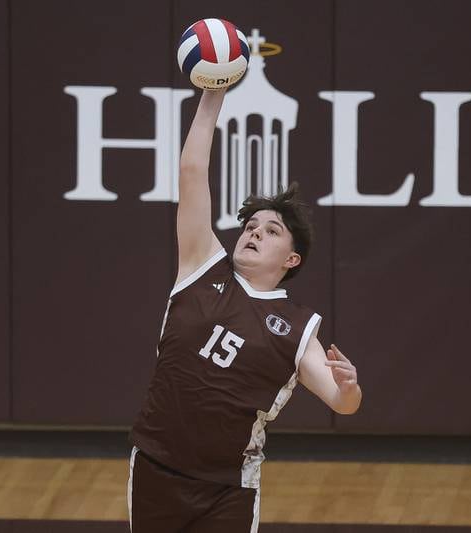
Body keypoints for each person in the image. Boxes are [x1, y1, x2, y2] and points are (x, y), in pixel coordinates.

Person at [128, 88, 362, 533]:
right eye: (251, 225)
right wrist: (213, 94)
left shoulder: (296, 326)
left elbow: (340, 402)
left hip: (228, 487)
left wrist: (349, 388)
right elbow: (192, 170)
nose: (255, 233)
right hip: (157, 464)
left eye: (271, 231)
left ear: (291, 260)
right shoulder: (201, 265)